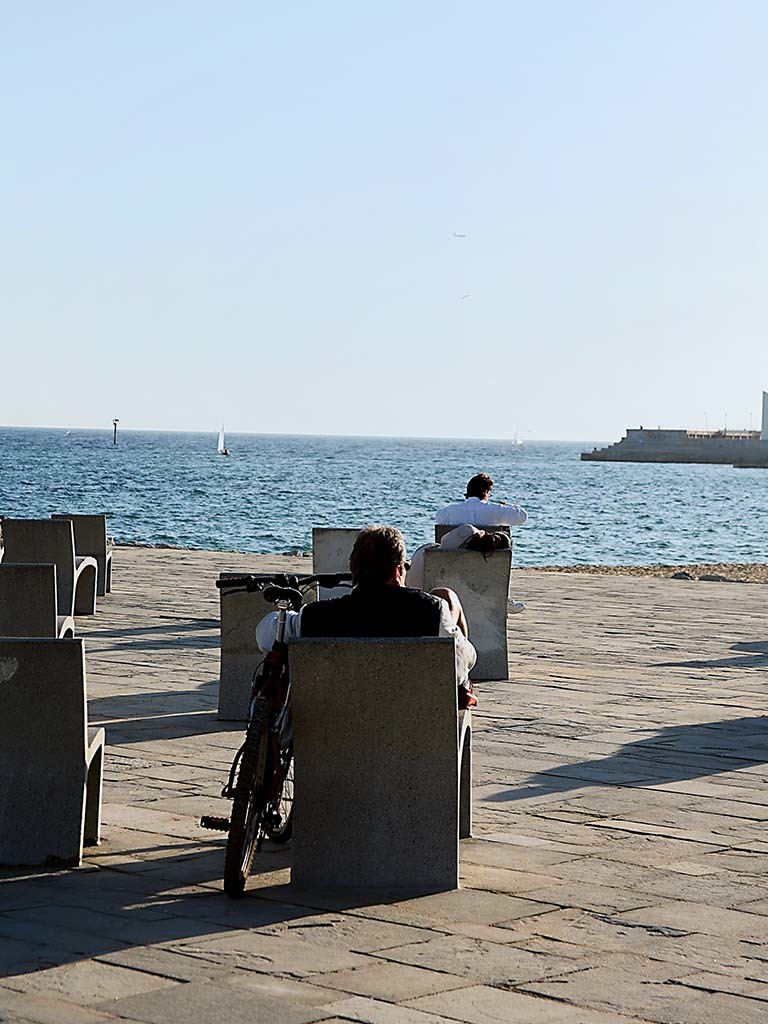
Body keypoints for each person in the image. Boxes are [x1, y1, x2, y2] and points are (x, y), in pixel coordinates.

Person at [255, 525, 478, 707]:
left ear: (355, 571)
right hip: (412, 738)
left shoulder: (317, 616)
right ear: (396, 570)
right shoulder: (432, 612)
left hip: (334, 737)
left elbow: (265, 634)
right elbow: (463, 665)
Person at [435, 473, 527, 528]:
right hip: (488, 559)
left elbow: (438, 519)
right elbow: (522, 516)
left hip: (456, 559)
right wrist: (506, 505)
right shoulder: (497, 510)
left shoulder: (449, 511)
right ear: (486, 492)